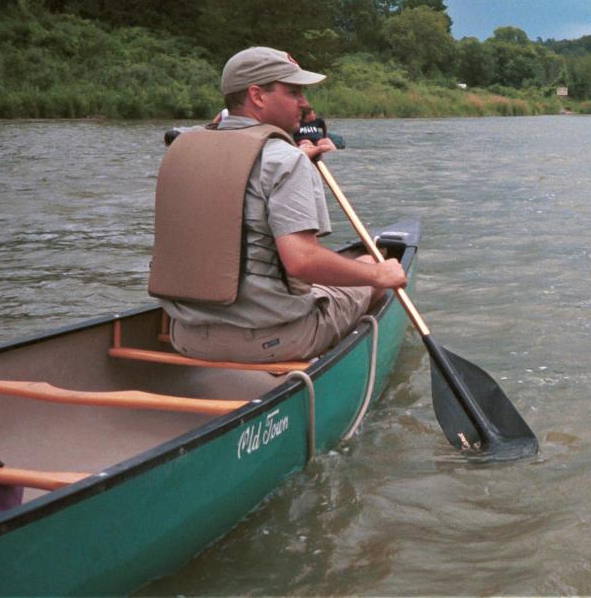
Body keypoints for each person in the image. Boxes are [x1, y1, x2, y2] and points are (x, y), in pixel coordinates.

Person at [148, 46, 406, 363]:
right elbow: (302, 262)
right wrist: (380, 276)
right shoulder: (286, 160)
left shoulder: (181, 148)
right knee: (370, 265)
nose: (305, 103)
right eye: (294, 91)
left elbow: (213, 136)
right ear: (257, 95)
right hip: (273, 340)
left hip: (185, 335)